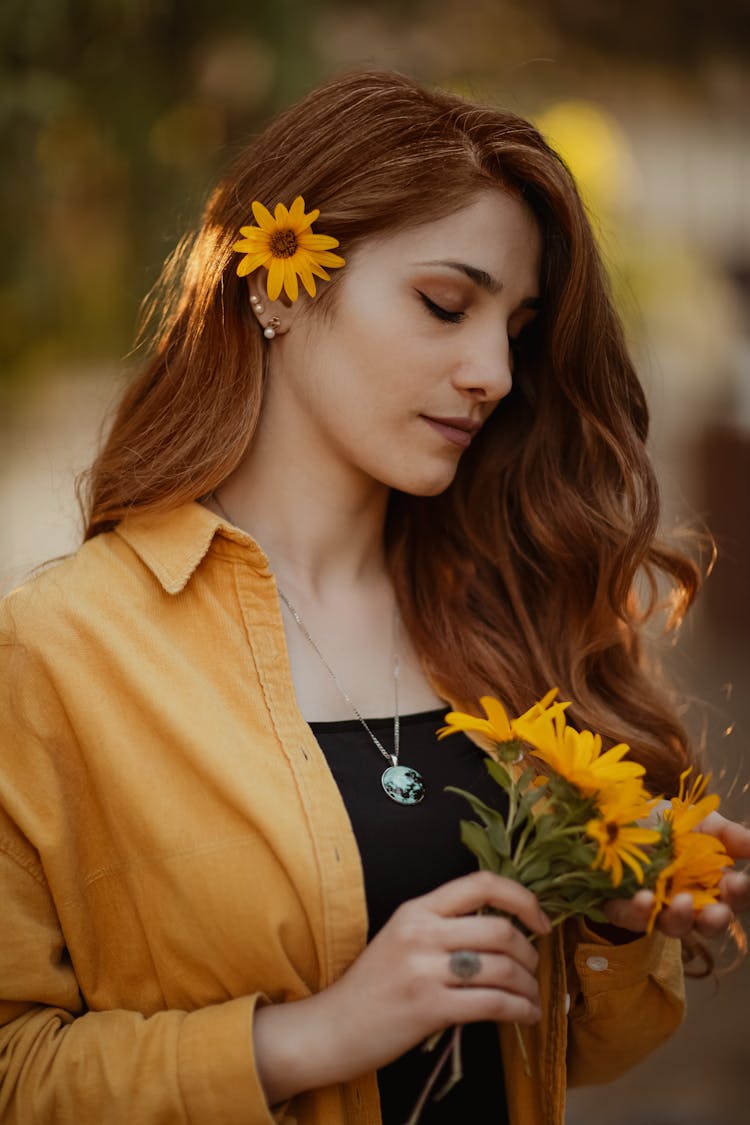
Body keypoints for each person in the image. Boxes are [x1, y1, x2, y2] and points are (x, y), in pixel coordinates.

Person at [1, 69, 748, 1125]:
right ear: (281, 281)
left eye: (517, 331)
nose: (491, 369)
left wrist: (620, 919)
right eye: (446, 304)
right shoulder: (58, 649)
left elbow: (577, 1057)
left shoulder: (503, 613)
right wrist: (307, 1037)